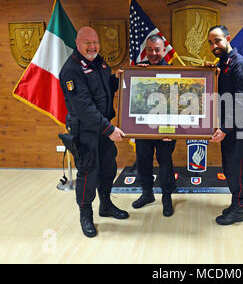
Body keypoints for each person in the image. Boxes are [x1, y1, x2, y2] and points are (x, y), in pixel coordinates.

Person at [59, 26, 128, 238]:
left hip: (104, 128)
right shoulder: (71, 70)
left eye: (95, 41)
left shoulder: (100, 62)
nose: (92, 46)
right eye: (87, 42)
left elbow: (107, 88)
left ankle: (105, 205)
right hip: (86, 130)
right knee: (89, 172)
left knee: (108, 167)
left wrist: (126, 78)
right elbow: (83, 107)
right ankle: (85, 214)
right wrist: (109, 129)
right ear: (77, 44)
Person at [207, 25, 243, 225]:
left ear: (228, 38)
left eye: (217, 40)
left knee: (237, 168)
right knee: (230, 167)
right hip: (229, 126)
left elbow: (241, 101)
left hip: (239, 128)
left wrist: (225, 128)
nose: (214, 45)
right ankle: (239, 201)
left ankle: (239, 209)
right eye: (210, 42)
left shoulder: (239, 64)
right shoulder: (225, 63)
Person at [130, 34, 177, 217]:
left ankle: (166, 197)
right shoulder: (139, 70)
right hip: (144, 127)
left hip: (166, 128)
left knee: (165, 163)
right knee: (143, 161)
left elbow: (178, 101)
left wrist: (175, 130)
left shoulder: (174, 72)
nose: (153, 53)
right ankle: (147, 194)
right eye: (150, 50)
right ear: (146, 50)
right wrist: (132, 75)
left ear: (164, 50)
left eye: (157, 49)